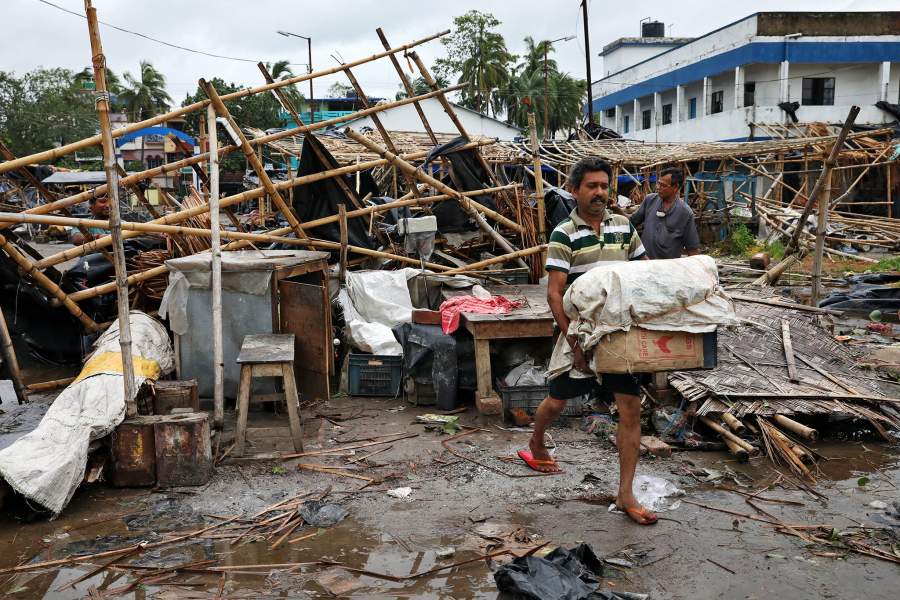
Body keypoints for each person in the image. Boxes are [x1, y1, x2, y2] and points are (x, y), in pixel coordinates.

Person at [519, 156, 658, 526]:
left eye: (603, 186)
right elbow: (554, 293)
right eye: (591, 186)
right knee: (557, 401)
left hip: (619, 335)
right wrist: (575, 343)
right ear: (574, 190)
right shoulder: (564, 233)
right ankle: (536, 441)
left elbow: (644, 273)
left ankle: (625, 493)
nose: (599, 192)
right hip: (579, 333)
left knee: (630, 407)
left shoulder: (624, 226)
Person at [628, 167, 700, 259]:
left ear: (675, 187)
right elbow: (632, 221)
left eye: (663, 185)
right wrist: (617, 210)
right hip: (644, 263)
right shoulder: (650, 200)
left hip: (667, 266)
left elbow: (692, 249)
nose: (658, 187)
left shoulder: (685, 213)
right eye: (658, 183)